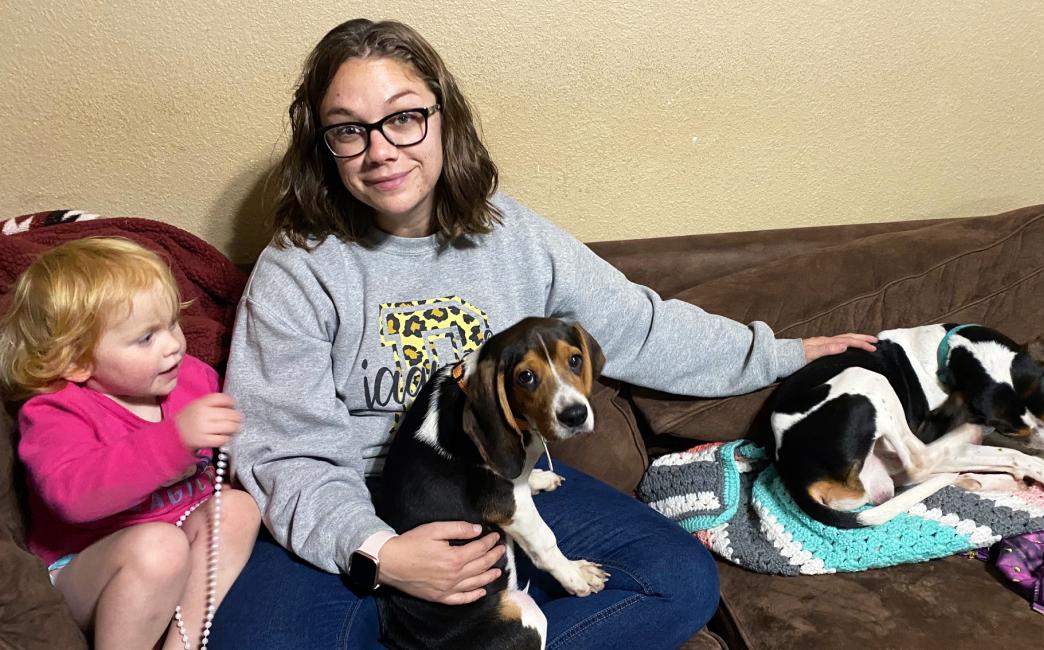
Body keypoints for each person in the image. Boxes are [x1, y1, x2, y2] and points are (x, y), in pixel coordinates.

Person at [213, 18, 877, 649]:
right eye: (347, 130)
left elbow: (641, 326)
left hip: (492, 481)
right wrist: (381, 553)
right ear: (322, 146)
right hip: (351, 507)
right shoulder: (297, 268)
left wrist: (785, 355)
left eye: (405, 117)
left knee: (676, 580)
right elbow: (284, 449)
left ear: (443, 115)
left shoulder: (510, 235)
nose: (381, 148)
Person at [0, 237, 262, 650]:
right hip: (88, 570)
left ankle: (183, 643)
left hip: (182, 554)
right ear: (76, 361)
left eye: (172, 323)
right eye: (146, 338)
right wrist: (173, 442)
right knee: (160, 548)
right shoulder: (57, 410)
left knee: (238, 508)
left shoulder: (191, 379)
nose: (174, 344)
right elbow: (73, 496)